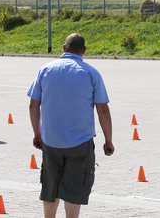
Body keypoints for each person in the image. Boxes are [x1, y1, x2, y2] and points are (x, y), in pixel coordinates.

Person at [28, 33, 114, 218]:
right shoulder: (91, 73)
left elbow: (34, 104)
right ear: (83, 51)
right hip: (80, 142)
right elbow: (103, 110)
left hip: (51, 141)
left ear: (63, 48)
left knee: (51, 185)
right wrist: (108, 140)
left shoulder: (45, 70)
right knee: (75, 187)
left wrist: (37, 133)